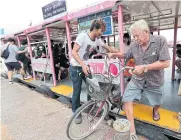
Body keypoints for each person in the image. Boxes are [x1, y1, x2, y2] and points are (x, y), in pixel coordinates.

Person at [108, 19, 170, 139]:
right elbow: (126, 55)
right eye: (134, 36)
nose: (135, 39)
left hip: (155, 80)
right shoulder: (135, 45)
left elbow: (166, 62)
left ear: (146, 32)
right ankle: (132, 130)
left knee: (158, 102)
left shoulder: (160, 41)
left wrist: (145, 67)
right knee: (127, 99)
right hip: (138, 79)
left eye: (137, 36)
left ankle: (155, 111)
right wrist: (114, 54)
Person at [70, 18, 117, 124]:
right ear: (95, 29)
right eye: (101, 30)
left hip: (86, 67)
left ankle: (89, 107)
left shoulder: (97, 40)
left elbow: (107, 47)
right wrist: (82, 64)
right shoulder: (82, 36)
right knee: (76, 91)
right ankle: (76, 112)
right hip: (76, 67)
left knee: (92, 88)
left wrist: (117, 52)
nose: (102, 33)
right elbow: (74, 52)